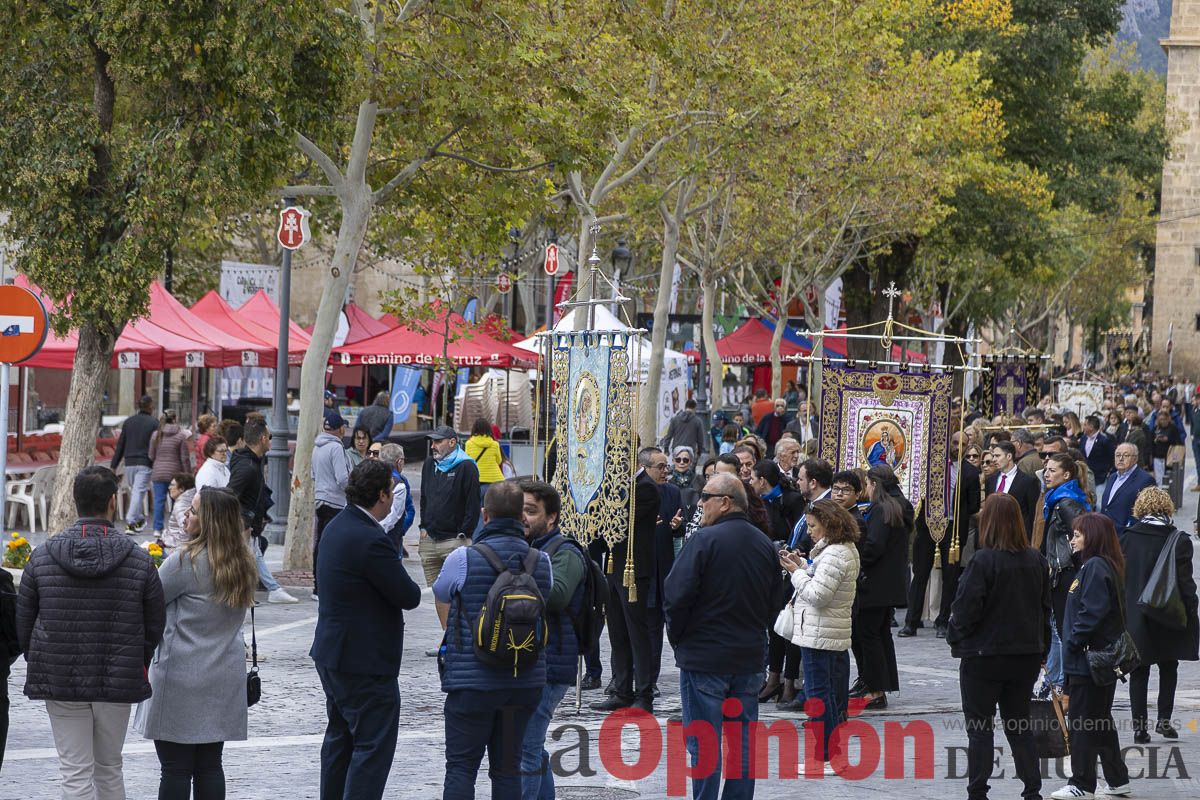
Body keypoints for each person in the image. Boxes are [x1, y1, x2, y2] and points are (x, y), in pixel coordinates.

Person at [15, 466, 165, 800]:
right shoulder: (138, 560)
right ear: (113, 502)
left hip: (61, 675)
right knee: (109, 768)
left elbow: (24, 621)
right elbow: (155, 622)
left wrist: (41, 656)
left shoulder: (42, 557)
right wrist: (134, 657)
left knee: (74, 772)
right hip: (117, 675)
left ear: (75, 501)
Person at [432, 480, 552, 800]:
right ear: (521, 517)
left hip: (471, 683)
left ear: (485, 516)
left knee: (460, 767)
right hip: (523, 679)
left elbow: (441, 593)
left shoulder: (463, 558)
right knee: (508, 768)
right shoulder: (541, 562)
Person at [311, 460, 422, 800]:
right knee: (372, 748)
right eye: (390, 489)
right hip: (364, 661)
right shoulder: (370, 538)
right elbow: (409, 595)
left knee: (340, 741)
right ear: (381, 495)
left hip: (334, 653)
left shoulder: (339, 525)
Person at [137, 487, 258, 800]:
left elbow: (149, 604)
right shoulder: (243, 563)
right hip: (222, 675)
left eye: (193, 510)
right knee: (210, 766)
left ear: (209, 521)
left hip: (180, 676)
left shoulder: (184, 561)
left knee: (175, 768)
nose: (186, 515)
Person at [663, 473, 777, 799]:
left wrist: (680, 639)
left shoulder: (704, 540)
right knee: (742, 746)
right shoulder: (763, 544)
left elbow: (675, 595)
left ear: (725, 502)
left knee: (705, 745)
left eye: (706, 497)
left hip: (706, 658)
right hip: (748, 656)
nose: (700, 504)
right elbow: (773, 603)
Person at [946, 493, 1051, 800]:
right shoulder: (1036, 559)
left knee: (980, 728)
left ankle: (978, 790)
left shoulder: (983, 560)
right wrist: (1040, 649)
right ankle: (1032, 789)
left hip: (984, 656)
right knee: (1019, 725)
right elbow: (1044, 610)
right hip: (1025, 655)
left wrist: (956, 636)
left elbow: (965, 609)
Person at [1051, 513, 1132, 799]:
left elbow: (1092, 612)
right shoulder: (1093, 565)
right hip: (1089, 659)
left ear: (1093, 537)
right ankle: (1117, 778)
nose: (1073, 538)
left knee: (1084, 723)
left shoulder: (1096, 567)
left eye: (1078, 534)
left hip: (1088, 660)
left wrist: (1073, 641)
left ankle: (1082, 783)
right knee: (1098, 720)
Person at [516, 480, 588, 800]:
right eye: (519, 510)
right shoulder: (530, 548)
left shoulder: (565, 552)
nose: (523, 518)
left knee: (525, 751)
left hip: (552, 663)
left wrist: (517, 571)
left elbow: (557, 596)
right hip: (532, 659)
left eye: (531, 511)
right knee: (532, 747)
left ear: (551, 518)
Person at [780, 499, 861, 771]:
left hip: (820, 632)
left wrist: (795, 573)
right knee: (831, 694)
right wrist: (803, 566)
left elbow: (818, 595)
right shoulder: (839, 550)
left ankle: (824, 755)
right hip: (827, 631)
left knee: (819, 695)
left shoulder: (836, 553)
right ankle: (832, 754)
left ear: (828, 524)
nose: (810, 531)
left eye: (813, 526)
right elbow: (822, 580)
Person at [1118, 487, 1199, 744]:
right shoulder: (1178, 540)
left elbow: (1121, 580)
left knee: (1139, 671)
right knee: (1168, 666)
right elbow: (1186, 583)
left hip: (1137, 616)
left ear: (1139, 508)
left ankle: (1139, 728)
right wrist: (1191, 610)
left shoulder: (1128, 538)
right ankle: (1164, 718)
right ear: (1167, 508)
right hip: (1168, 614)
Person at [592, 447, 661, 714]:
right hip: (613, 566)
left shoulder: (645, 487)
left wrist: (602, 502)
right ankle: (622, 689)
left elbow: (619, 521)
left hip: (634, 568)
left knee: (636, 633)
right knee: (617, 632)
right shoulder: (616, 485)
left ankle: (643, 693)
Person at [901, 431, 980, 638]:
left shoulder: (970, 472)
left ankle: (943, 621)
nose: (957, 447)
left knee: (950, 577)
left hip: (953, 530)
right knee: (920, 575)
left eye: (962, 444)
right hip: (928, 528)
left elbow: (974, 505)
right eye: (954, 443)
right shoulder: (932, 467)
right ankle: (911, 621)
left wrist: (957, 509)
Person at [850, 464, 911, 710]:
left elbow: (873, 546)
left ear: (874, 485)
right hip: (891, 583)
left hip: (874, 583)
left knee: (869, 635)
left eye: (867, 485)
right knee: (881, 634)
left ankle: (875, 690)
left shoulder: (881, 508)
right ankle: (880, 686)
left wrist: (856, 561)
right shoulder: (900, 505)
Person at [227, 418, 297, 604]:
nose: (271, 440)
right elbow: (230, 495)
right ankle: (246, 596)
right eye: (270, 437)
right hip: (243, 525)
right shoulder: (247, 467)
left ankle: (262, 592)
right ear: (264, 438)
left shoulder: (249, 460)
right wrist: (244, 522)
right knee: (243, 561)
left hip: (249, 524)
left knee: (252, 556)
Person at [420, 426, 481, 636]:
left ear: (452, 442)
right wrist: (423, 527)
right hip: (430, 538)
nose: (433, 446)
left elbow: (473, 506)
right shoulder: (430, 465)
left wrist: (463, 534)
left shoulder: (466, 466)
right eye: (432, 442)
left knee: (458, 591)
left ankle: (461, 635)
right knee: (438, 590)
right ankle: (446, 636)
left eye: (438, 441)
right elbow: (425, 498)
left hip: (454, 539)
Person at [312, 411, 353, 600]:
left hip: (320, 500)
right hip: (336, 502)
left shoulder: (317, 447)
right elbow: (342, 478)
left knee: (320, 543)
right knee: (335, 546)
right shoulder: (336, 448)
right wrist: (353, 490)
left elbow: (313, 475)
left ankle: (317, 586)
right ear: (340, 429)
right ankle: (329, 587)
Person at [110, 394, 159, 534]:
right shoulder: (154, 423)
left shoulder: (128, 422)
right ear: (150, 406)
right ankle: (132, 520)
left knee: (136, 490)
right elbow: (157, 446)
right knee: (138, 491)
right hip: (145, 462)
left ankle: (138, 519)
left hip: (129, 462)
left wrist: (114, 465)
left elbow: (120, 445)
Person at [147, 410, 193, 539]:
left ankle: (157, 529)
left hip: (158, 472)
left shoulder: (156, 435)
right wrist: (188, 473)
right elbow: (184, 457)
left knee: (159, 500)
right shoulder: (180, 436)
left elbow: (151, 455)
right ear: (175, 419)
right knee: (177, 500)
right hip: (176, 473)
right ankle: (175, 526)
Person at [985, 441, 1040, 536]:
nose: (994, 460)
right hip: (993, 535)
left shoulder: (1028, 481)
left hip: (1016, 536)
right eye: (993, 456)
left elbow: (1032, 513)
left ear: (1009, 456)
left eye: (997, 456)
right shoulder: (991, 480)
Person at [1099, 443, 1156, 532]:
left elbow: (1147, 513)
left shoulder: (1146, 480)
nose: (1121, 459)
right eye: (1118, 455)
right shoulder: (1112, 477)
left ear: (1135, 458)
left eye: (1126, 455)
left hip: (1126, 537)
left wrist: (1129, 531)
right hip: (1105, 534)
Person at [378, 443, 416, 553]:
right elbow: (409, 511)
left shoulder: (369, 476)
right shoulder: (400, 483)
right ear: (399, 461)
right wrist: (400, 531)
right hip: (392, 538)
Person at [465, 418, 505, 509]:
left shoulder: (469, 444)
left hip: (476, 482)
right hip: (494, 482)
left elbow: (467, 463)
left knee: (477, 512)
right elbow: (499, 461)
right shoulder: (495, 444)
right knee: (493, 511)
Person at [1077, 414, 1116, 493]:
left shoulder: (1104, 441)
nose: (1083, 427)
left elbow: (1112, 457)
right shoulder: (1083, 438)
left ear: (1091, 427)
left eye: (1085, 425)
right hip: (1084, 477)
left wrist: (1107, 473)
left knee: (1098, 502)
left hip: (1099, 478)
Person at [162, 473, 196, 549]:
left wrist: (180, 550)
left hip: (176, 547)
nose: (169, 487)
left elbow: (186, 529)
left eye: (172, 485)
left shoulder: (181, 505)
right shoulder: (191, 500)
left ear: (182, 489)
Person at [1150, 406, 1182, 485]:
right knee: (1159, 479)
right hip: (1157, 456)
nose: (1163, 421)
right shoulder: (1156, 428)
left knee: (1168, 479)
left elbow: (1178, 442)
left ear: (1168, 419)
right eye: (1161, 420)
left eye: (1164, 419)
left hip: (1169, 456)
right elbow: (1151, 441)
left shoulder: (1173, 428)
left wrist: (1168, 439)